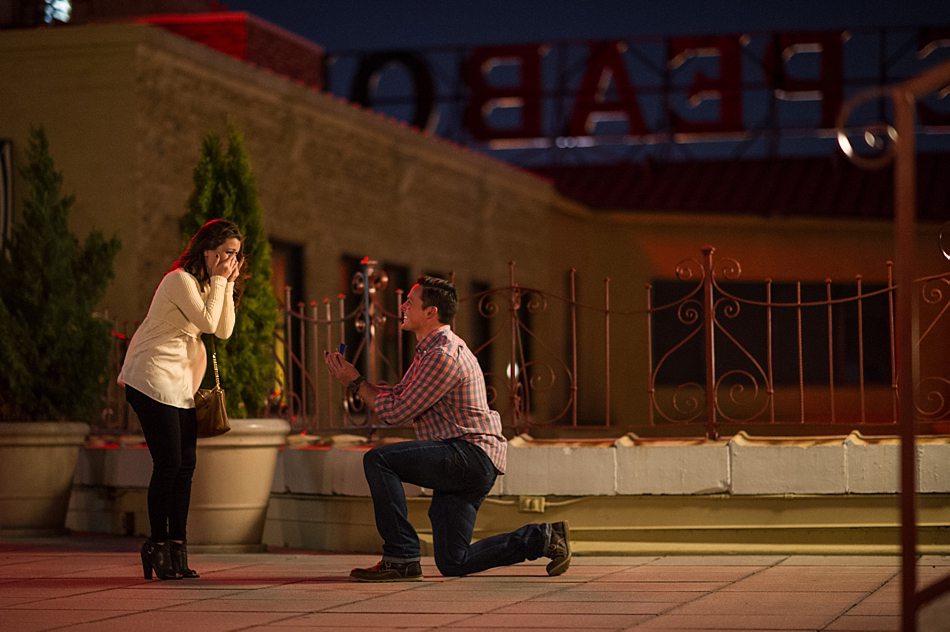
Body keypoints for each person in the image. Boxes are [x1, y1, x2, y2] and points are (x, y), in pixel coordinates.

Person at [324, 275, 570, 581]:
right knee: (454, 561)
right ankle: (544, 538)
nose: (402, 306)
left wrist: (355, 383)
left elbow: (397, 411)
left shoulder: (443, 355)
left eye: (410, 302)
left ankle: (400, 554)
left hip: (469, 455)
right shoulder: (430, 350)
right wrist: (356, 381)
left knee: (378, 459)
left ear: (431, 312)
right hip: (466, 459)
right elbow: (399, 396)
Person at [118, 219, 243, 580]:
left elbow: (223, 329)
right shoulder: (179, 281)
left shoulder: (210, 284)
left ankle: (177, 549)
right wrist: (221, 282)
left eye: (237, 255)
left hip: (180, 381)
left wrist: (226, 285)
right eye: (226, 253)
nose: (232, 260)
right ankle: (156, 545)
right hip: (151, 375)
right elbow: (206, 323)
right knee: (169, 463)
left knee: (186, 466)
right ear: (207, 250)